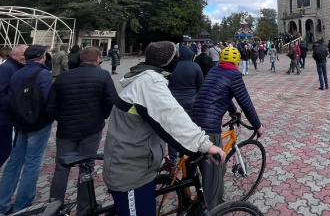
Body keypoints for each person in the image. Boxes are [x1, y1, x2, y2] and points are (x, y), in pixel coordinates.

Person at [103, 41, 225, 216]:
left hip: (139, 163)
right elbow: (171, 117)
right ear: (167, 61)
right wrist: (205, 145)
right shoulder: (150, 83)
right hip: (130, 173)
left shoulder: (143, 77)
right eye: (174, 56)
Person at [47, 46, 117, 214]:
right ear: (97, 59)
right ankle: (84, 207)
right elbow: (111, 101)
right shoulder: (102, 75)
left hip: (66, 129)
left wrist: (62, 119)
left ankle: (54, 207)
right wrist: (102, 116)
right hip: (91, 128)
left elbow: (50, 106)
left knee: (61, 167)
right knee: (87, 165)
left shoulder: (63, 77)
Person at [191, 47, 263, 209]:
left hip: (194, 118)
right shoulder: (234, 75)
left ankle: (202, 198)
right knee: (213, 174)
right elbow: (246, 102)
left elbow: (222, 92)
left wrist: (233, 110)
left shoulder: (214, 70)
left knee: (214, 165)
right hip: (208, 126)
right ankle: (211, 209)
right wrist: (257, 126)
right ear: (236, 62)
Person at [0, 45, 53, 215]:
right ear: (42, 56)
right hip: (38, 124)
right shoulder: (43, 74)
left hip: (20, 124)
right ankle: (22, 207)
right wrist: (48, 119)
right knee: (32, 164)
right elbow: (48, 100)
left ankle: (1, 206)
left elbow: (11, 98)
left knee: (13, 163)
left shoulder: (16, 73)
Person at [0, 45, 27, 214]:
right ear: (15, 55)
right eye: (24, 56)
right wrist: (17, 102)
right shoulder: (5, 70)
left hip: (2, 120)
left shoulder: (13, 68)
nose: (27, 58)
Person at [168, 46, 204, 163]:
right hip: (191, 101)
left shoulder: (172, 67)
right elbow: (201, 86)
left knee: (173, 130)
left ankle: (173, 158)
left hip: (173, 102)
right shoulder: (195, 67)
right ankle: (188, 155)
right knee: (189, 128)